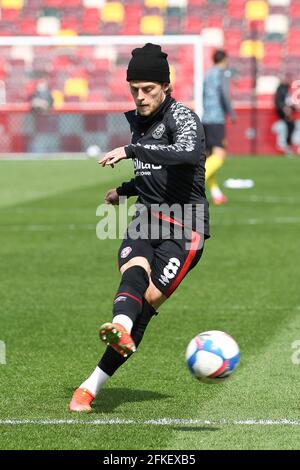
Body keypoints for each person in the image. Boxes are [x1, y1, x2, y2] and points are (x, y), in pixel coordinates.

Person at [69, 43, 210, 412]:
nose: (140, 96)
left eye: (148, 89)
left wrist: (132, 152)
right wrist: (126, 189)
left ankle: (93, 380)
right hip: (147, 216)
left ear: (166, 86)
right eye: (134, 89)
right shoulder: (139, 120)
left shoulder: (183, 117)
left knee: (146, 305)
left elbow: (188, 155)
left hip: (187, 228)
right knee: (133, 268)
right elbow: (154, 174)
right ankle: (113, 334)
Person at [202, 49, 236, 205]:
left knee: (209, 158)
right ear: (225, 59)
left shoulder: (208, 74)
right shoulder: (223, 72)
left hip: (206, 118)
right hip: (216, 119)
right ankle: (194, 183)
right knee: (219, 157)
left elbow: (203, 94)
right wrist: (231, 112)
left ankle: (217, 194)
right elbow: (225, 93)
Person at [274, 76, 295, 155]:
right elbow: (279, 102)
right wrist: (285, 109)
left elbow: (287, 101)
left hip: (285, 111)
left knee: (290, 126)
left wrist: (292, 108)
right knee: (290, 126)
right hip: (282, 112)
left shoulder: (286, 89)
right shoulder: (281, 89)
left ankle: (287, 146)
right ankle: (286, 146)